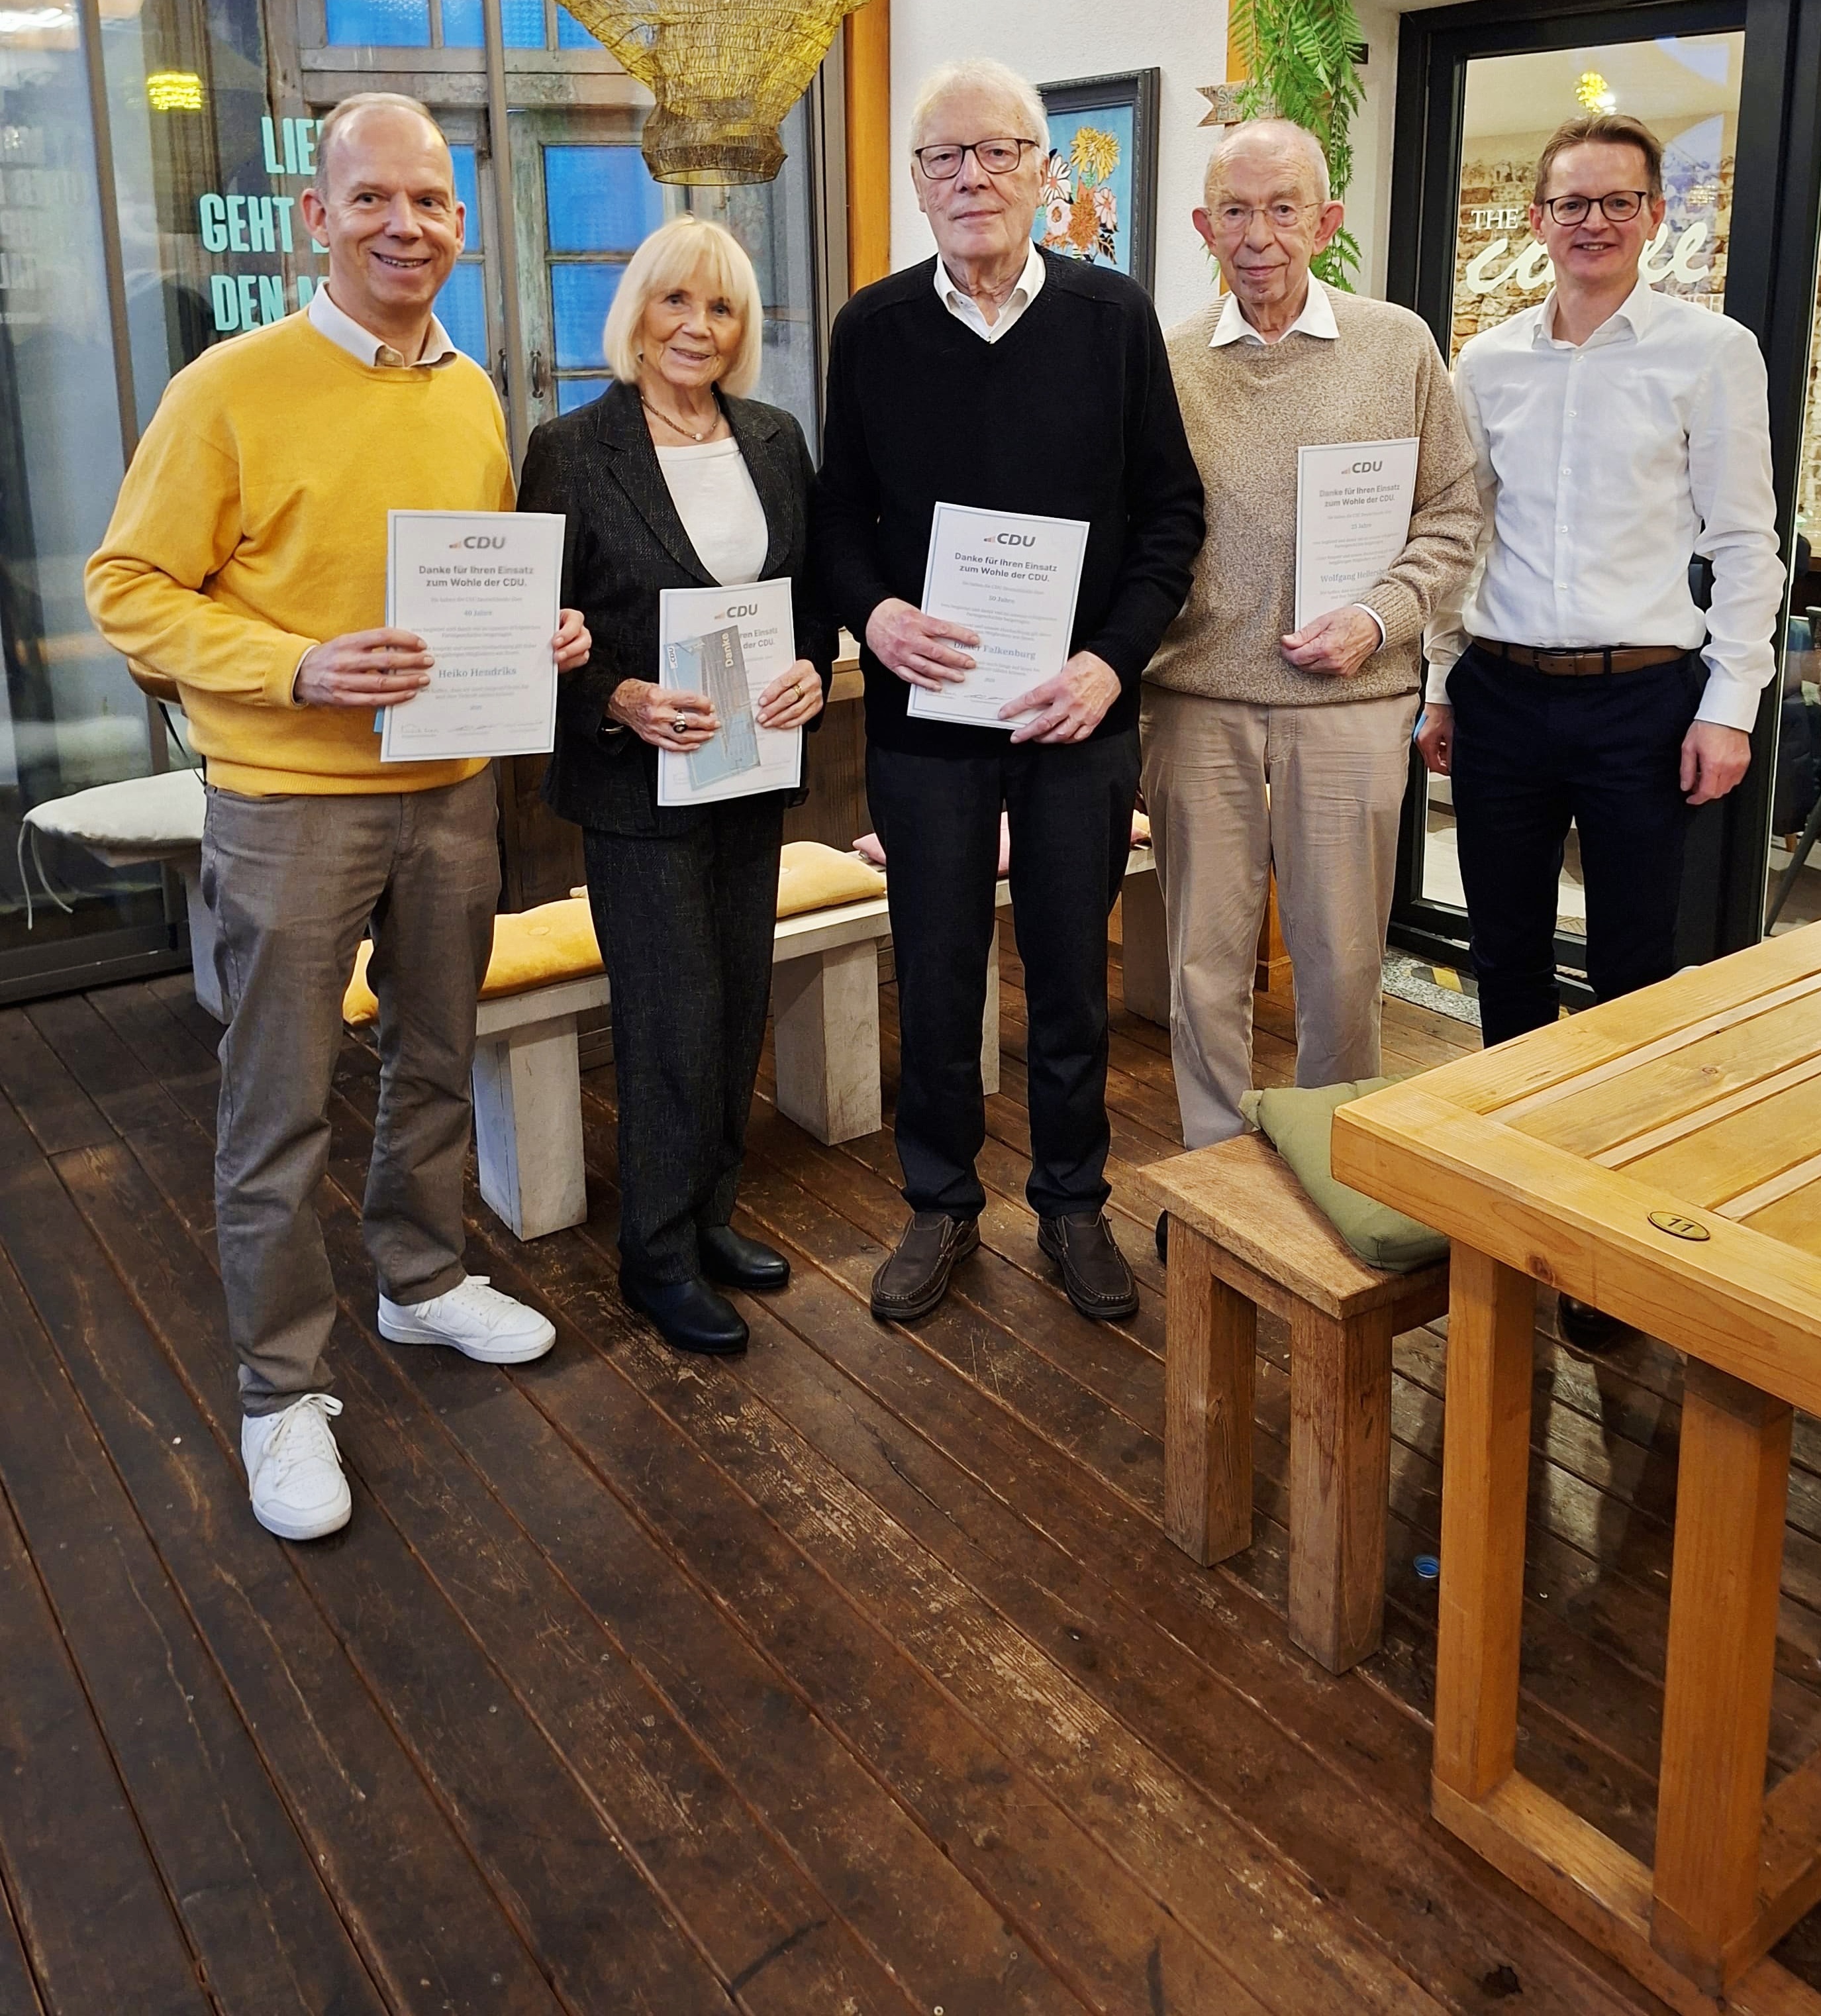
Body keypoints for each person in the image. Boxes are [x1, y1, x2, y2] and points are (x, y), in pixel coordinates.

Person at [84, 93, 590, 1540]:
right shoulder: (228, 388)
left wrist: (536, 635)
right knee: (277, 1105)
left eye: (429, 202)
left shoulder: (470, 392)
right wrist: (295, 666)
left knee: (438, 1055)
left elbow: (470, 579)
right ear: (316, 217)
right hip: (290, 804)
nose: (404, 226)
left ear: (457, 223)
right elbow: (129, 588)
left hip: (450, 791)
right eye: (372, 199)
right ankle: (278, 1392)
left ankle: (421, 1280)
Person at [814, 56, 1204, 1326]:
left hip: (1075, 716)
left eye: (999, 152)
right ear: (918, 184)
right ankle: (938, 1205)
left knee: (1069, 974)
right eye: (944, 158)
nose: (971, 176)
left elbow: (1168, 516)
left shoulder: (1111, 318)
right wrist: (871, 614)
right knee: (932, 968)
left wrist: (1110, 663)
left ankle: (1074, 1200)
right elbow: (838, 521)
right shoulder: (871, 328)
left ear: (1047, 173)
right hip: (926, 723)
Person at [1420, 112, 1785, 1348]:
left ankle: (1615, 1232)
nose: (1592, 221)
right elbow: (1459, 537)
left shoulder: (1709, 351)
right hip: (1504, 695)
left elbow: (1744, 546)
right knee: (1506, 956)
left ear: (1652, 215)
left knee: (1635, 971)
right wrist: (1436, 685)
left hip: (1645, 700)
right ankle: (1517, 1195)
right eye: (1570, 201)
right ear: (1535, 219)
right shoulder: (1486, 363)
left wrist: (1728, 706)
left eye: (1616, 201)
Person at [517, 215, 832, 1356]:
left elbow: (813, 595)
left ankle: (709, 1220)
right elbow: (532, 628)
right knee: (668, 1017)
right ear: (637, 317)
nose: (698, 328)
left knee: (737, 997)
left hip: (749, 768)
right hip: (636, 783)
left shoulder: (775, 438)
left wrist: (813, 666)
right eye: (676, 303)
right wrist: (620, 697)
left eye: (724, 309)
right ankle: (652, 1259)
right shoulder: (571, 446)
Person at [1144, 117, 1477, 1176]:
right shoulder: (1165, 362)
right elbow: (1133, 529)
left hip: (1351, 712)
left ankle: (1337, 1171)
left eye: (1282, 208)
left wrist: (1379, 617)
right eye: (1234, 211)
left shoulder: (1397, 346)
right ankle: (1215, 1174)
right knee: (1202, 961)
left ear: (1324, 221)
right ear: (1204, 225)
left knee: (1339, 961)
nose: (1258, 236)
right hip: (1195, 703)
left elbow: (1454, 514)